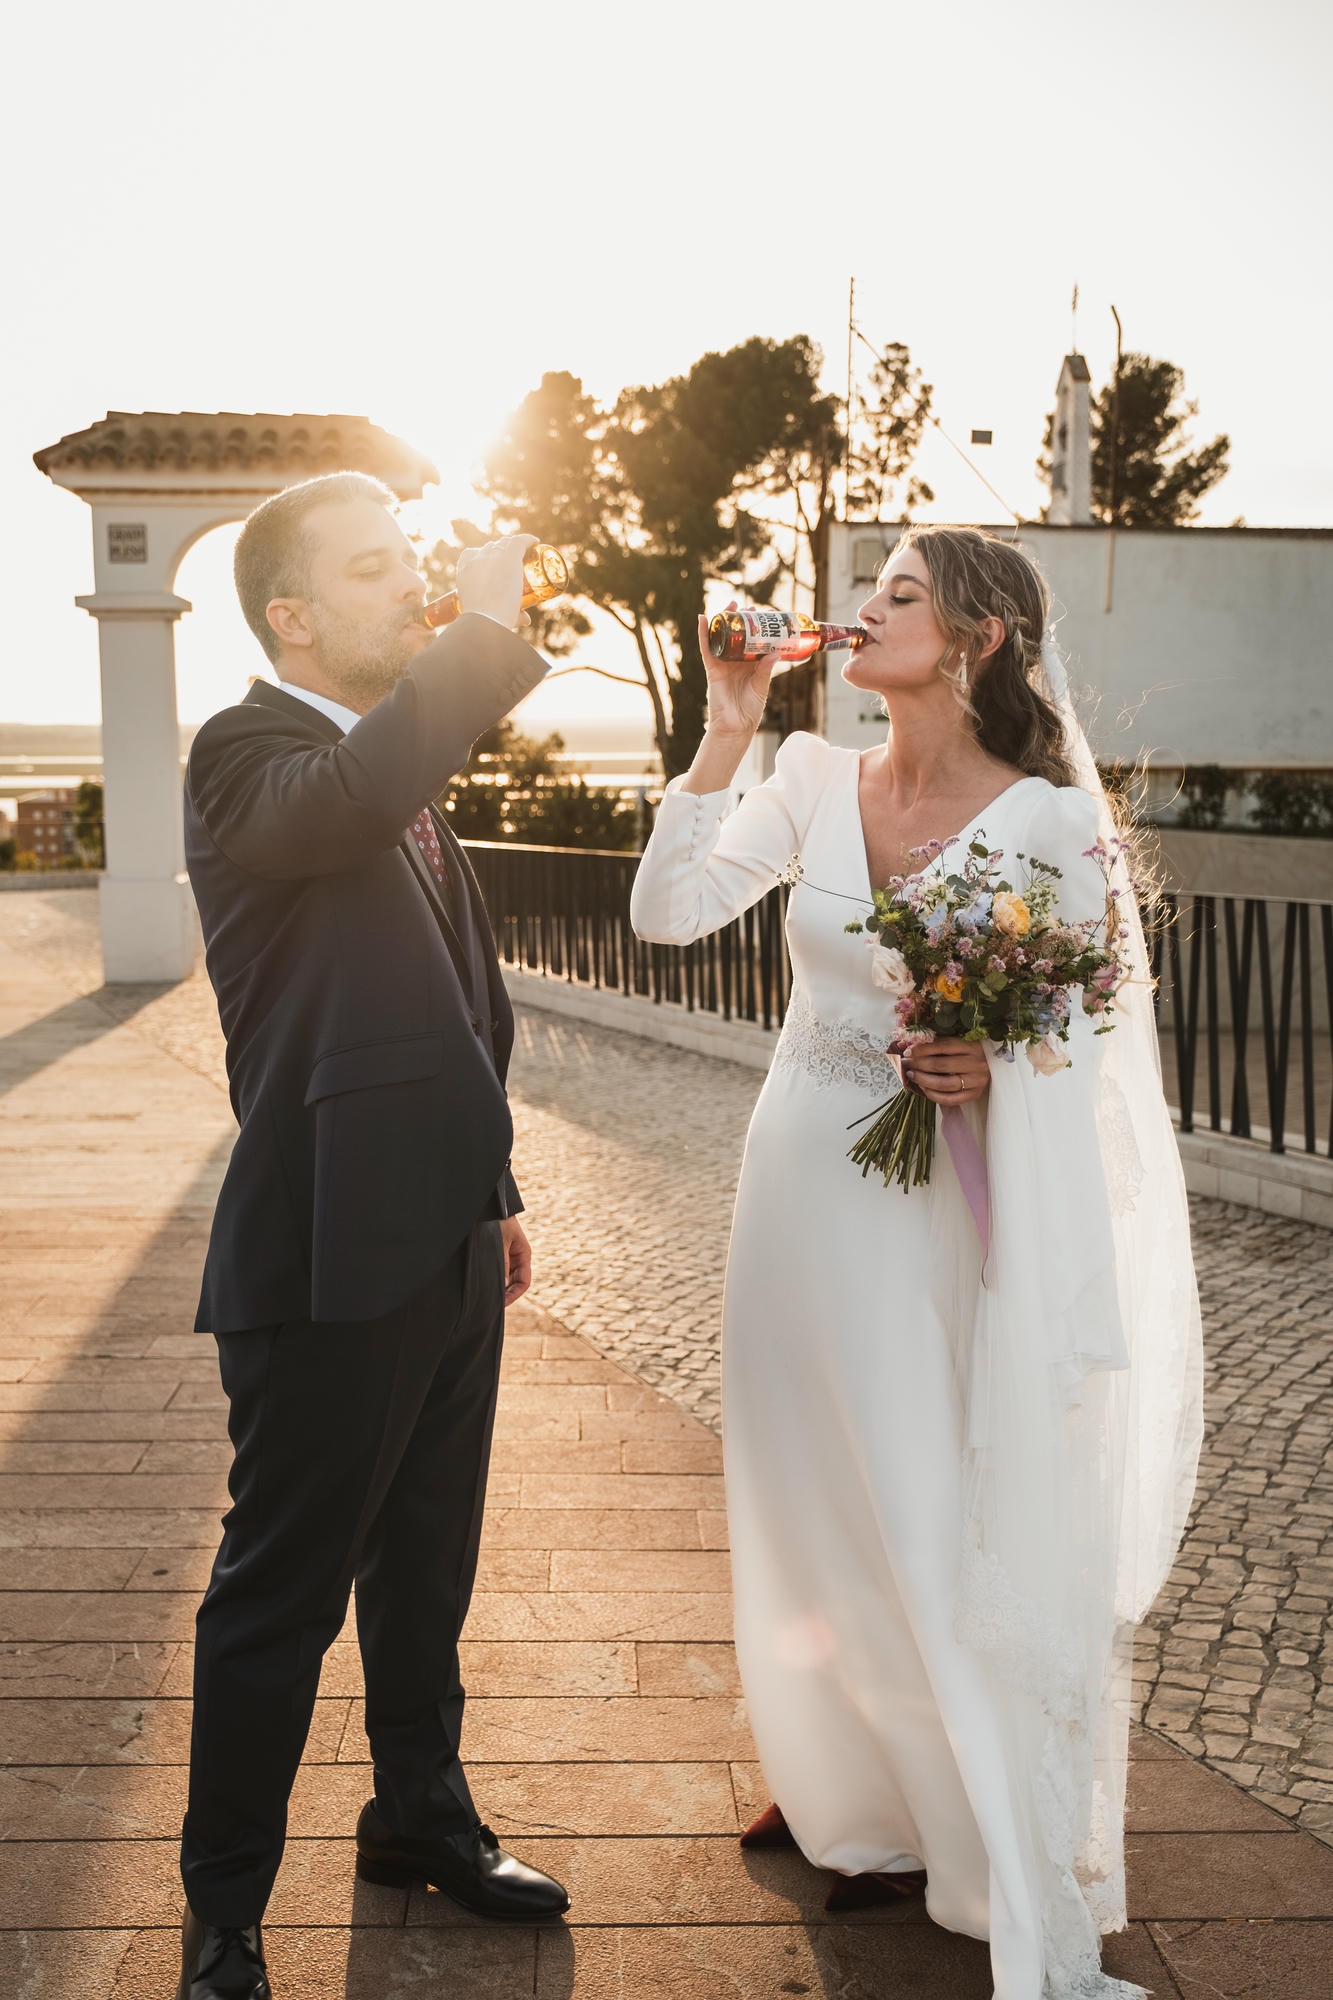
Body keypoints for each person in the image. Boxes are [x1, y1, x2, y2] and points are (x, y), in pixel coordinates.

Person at [630, 525, 1203, 2000]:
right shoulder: (810, 778)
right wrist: (730, 726)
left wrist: (990, 1063)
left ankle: (980, 1834)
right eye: (865, 591)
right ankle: (854, 1800)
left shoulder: (1053, 828)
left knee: (932, 1493)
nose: (858, 611)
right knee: (804, 1484)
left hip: (941, 1205)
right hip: (797, 1186)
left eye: (897, 595)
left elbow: (1087, 1056)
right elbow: (668, 913)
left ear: (981, 639)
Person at [177, 474, 570, 2000]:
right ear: (289, 613)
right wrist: (477, 628)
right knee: (279, 1594)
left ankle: (422, 1819)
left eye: (416, 569)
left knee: (426, 1567)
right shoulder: (249, 755)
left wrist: (496, 1195)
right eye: (373, 570)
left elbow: (456, 1009)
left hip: (449, 1242)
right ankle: (224, 1915)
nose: (408, 589)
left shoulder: (390, 763)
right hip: (326, 1244)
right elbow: (346, 810)